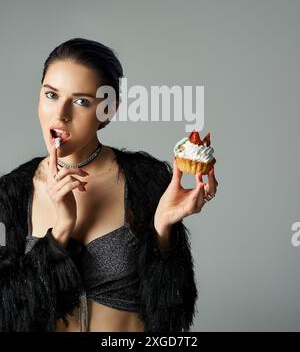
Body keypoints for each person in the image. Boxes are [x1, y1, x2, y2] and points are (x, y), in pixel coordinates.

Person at [0, 38, 218, 332]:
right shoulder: (10, 193)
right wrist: (60, 233)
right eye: (51, 95)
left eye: (81, 102)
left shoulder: (146, 181)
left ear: (108, 111)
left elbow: (173, 316)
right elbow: (8, 314)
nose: (61, 114)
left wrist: (163, 231)